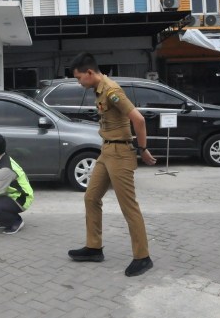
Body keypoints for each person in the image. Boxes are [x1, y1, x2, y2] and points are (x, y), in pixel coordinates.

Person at [67, 53, 157, 277]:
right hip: (106, 151)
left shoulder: (112, 91)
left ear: (89, 73)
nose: (79, 83)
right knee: (91, 197)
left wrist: (143, 149)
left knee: (129, 207)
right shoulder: (99, 89)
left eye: (79, 78)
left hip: (120, 153)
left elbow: (139, 119)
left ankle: (143, 257)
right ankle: (94, 248)